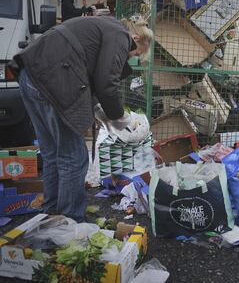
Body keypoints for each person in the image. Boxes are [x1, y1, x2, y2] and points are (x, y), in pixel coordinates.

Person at [9, 16, 153, 222]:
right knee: (74, 158)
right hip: (54, 81)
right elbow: (106, 84)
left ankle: (51, 213)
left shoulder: (103, 26)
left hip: (30, 75)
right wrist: (120, 119)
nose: (130, 58)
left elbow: (90, 75)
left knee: (52, 153)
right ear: (136, 38)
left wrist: (99, 111)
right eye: (135, 53)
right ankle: (69, 222)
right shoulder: (121, 36)